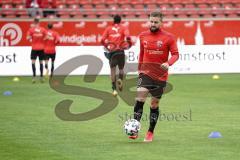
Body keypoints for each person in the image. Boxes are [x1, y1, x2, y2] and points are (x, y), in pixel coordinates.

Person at [130, 11, 179, 142]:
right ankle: (134, 129)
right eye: (151, 21)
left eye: (155, 22)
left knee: (154, 104)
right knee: (140, 97)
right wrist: (139, 69)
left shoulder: (169, 37)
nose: (152, 24)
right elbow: (141, 53)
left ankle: (150, 131)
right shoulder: (142, 36)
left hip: (160, 75)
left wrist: (168, 63)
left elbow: (175, 54)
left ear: (161, 22)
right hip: (145, 72)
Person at [101, 14, 132, 96]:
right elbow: (128, 37)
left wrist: (106, 47)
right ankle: (120, 79)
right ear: (120, 20)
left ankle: (114, 89)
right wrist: (128, 44)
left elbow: (102, 40)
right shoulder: (123, 28)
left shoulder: (108, 28)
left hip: (112, 51)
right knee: (121, 69)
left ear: (113, 21)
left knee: (112, 70)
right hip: (121, 51)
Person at [27, 18, 47, 83]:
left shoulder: (31, 30)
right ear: (39, 22)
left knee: (33, 62)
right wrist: (42, 39)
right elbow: (47, 37)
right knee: (41, 62)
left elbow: (27, 38)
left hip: (34, 48)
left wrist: (32, 37)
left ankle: (34, 77)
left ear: (34, 23)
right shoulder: (43, 29)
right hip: (41, 48)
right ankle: (41, 77)